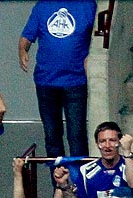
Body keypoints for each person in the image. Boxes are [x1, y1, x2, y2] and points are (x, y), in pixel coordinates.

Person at [21, 0, 95, 158]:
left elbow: (98, 36)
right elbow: (26, 36)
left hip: (76, 81)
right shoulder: (43, 6)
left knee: (77, 136)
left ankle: (79, 181)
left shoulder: (88, 5)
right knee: (52, 136)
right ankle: (58, 181)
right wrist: (23, 51)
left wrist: (92, 54)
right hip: (45, 82)